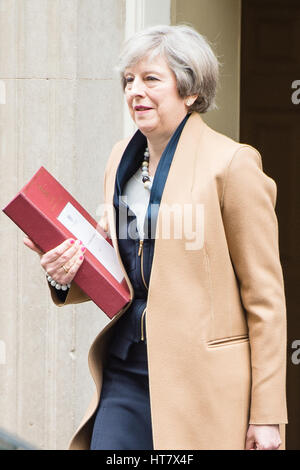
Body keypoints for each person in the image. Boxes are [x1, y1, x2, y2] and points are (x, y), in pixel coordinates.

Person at [24, 24, 287, 450]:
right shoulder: (119, 158)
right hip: (126, 369)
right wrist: (64, 273)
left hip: (202, 384)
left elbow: (266, 299)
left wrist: (267, 415)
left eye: (150, 79)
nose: (134, 91)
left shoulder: (233, 165)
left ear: (190, 91)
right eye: (129, 80)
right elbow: (122, 267)